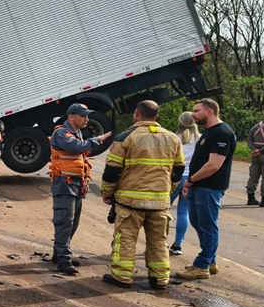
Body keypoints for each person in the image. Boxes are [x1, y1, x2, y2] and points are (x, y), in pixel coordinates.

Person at [99, 101, 185, 290]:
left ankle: (122, 277)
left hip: (130, 203)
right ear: (157, 116)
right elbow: (178, 170)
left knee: (126, 239)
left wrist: (107, 193)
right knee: (159, 241)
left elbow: (112, 171)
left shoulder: (125, 137)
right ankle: (160, 278)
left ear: (136, 114)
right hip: (160, 203)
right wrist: (168, 191)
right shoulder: (173, 138)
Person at [176, 98, 236, 281]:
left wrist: (191, 180)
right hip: (199, 186)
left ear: (210, 111)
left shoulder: (221, 133)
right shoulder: (209, 132)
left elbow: (213, 165)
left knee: (208, 226)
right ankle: (210, 261)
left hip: (209, 187)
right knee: (197, 222)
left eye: (197, 111)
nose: (193, 114)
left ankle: (202, 265)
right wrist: (192, 183)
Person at [50, 103, 112, 275]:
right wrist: (96, 140)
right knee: (65, 222)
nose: (87, 119)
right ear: (71, 117)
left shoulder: (76, 133)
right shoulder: (62, 133)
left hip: (75, 185)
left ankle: (59, 254)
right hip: (64, 185)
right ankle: (63, 260)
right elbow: (76, 147)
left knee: (72, 223)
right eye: (83, 116)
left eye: (87, 116)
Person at [169, 112, 200, 255]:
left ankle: (160, 241)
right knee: (183, 211)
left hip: (175, 177)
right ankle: (178, 244)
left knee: (163, 211)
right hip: (191, 178)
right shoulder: (200, 139)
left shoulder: (174, 138)